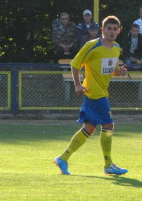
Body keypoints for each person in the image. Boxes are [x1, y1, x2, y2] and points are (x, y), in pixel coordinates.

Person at [53, 15, 129, 176]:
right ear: (102, 30)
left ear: (119, 31)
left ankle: (63, 158)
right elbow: (75, 64)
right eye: (108, 28)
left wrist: (119, 72)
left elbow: (111, 69)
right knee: (108, 125)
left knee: (89, 128)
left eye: (115, 29)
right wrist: (77, 84)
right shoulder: (92, 45)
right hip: (94, 93)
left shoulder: (116, 48)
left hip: (101, 93)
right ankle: (108, 164)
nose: (112, 31)